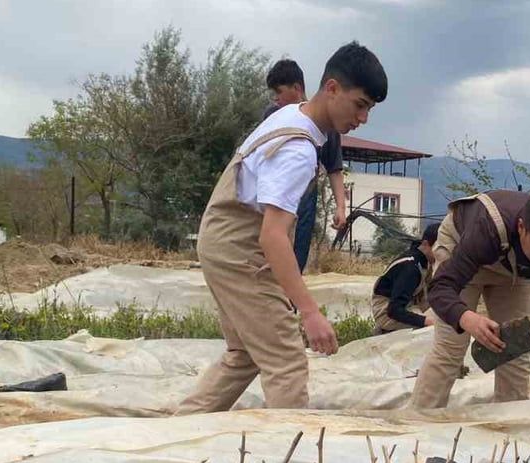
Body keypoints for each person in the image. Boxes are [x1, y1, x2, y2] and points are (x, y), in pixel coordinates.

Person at [176, 42, 386, 413]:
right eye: (360, 104)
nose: (363, 118)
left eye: (369, 109)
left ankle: (179, 427)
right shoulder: (298, 150)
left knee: (245, 354)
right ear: (332, 88)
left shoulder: (289, 116)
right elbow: (272, 236)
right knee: (286, 362)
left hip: (222, 240)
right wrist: (310, 312)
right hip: (240, 251)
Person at [411, 185, 530, 420]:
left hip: (510, 268)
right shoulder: (487, 229)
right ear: (522, 227)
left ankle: (508, 429)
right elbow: (440, 288)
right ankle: (419, 424)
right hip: (461, 248)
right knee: (451, 347)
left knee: (513, 347)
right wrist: (466, 317)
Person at [263, 59, 350, 272]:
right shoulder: (272, 115)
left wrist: (340, 207)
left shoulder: (326, 123)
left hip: (305, 196)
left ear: (297, 88)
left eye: (279, 92)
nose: (276, 98)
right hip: (272, 193)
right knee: (267, 250)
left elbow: (334, 168)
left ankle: (290, 302)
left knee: (296, 255)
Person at [370, 222, 438, 334]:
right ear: (426, 244)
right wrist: (426, 321)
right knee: (431, 330)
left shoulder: (425, 261)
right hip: (386, 311)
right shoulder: (410, 268)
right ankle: (384, 331)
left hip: (407, 305)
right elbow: (394, 310)